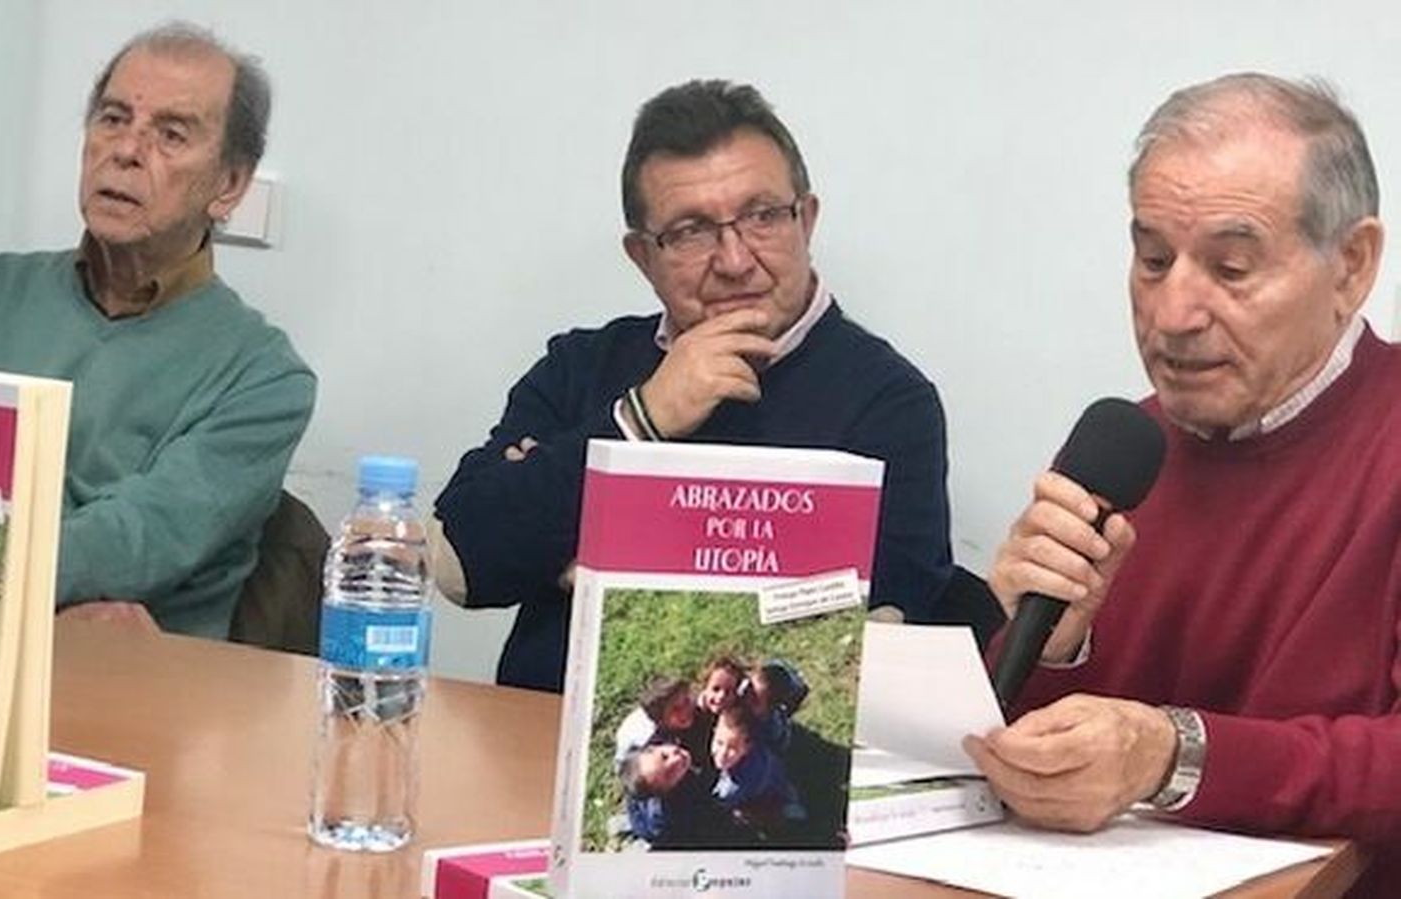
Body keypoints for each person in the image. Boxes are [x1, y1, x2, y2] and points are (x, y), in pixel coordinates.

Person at [964, 74, 1399, 897]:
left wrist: (1176, 755)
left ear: (1351, 265)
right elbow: (1046, 753)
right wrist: (1053, 648)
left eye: (1230, 268)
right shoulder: (1124, 449)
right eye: (1153, 259)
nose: (1172, 314)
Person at [435, 79, 951, 691]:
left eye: (762, 216)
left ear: (806, 220)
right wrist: (641, 419)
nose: (734, 260)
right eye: (690, 231)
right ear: (642, 256)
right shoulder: (580, 365)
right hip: (535, 732)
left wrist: (589, 561)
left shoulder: (890, 402)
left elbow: (868, 641)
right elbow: (461, 563)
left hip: (746, 744)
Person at [0, 22, 315, 638]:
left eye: (171, 134)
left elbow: (137, 540)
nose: (127, 149)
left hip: (137, 682)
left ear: (229, 185)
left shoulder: (265, 378)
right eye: (113, 119)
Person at [613, 676, 695, 772]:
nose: (685, 710)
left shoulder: (691, 707)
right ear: (660, 721)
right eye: (675, 709)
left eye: (686, 700)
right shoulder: (655, 747)